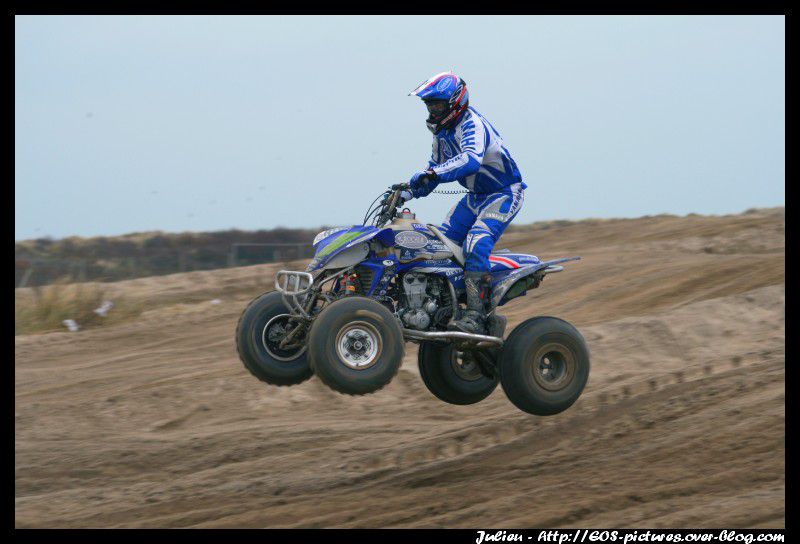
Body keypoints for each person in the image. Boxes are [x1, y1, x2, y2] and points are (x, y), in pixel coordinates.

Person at [398, 71, 526, 334]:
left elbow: (469, 160)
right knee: (437, 243)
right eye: (429, 104)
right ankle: (443, 305)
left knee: (476, 242)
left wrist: (432, 173)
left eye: (437, 104)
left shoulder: (472, 124)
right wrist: (407, 192)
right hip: (474, 197)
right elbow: (434, 170)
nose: (432, 110)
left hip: (503, 193)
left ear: (455, 102)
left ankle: (477, 315)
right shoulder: (441, 134)